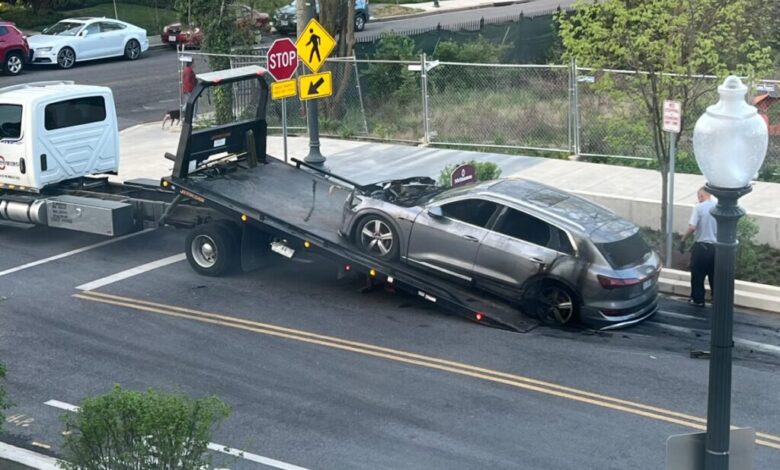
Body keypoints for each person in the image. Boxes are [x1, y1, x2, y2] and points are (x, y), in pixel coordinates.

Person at [680, 187, 717, 307]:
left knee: (698, 274)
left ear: (701, 195)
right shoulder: (719, 206)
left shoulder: (699, 208)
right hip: (717, 249)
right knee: (714, 275)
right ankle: (716, 299)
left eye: (698, 196)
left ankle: (698, 299)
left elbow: (692, 227)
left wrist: (683, 239)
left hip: (702, 247)